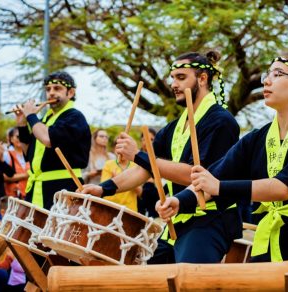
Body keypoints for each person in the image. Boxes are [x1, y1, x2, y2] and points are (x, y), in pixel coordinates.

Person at [158, 49, 288, 262]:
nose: (267, 81)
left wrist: (219, 187)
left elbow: (283, 188)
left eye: (278, 74)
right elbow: (216, 174)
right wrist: (180, 201)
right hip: (278, 239)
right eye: (268, 74)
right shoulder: (257, 138)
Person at [82, 50, 241, 263]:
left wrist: (138, 155)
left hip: (209, 220)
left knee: (187, 281)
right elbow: (143, 169)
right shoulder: (174, 127)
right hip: (178, 220)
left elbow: (197, 177)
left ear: (202, 79)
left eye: (181, 77)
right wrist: (103, 189)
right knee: (146, 277)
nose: (174, 84)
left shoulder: (221, 122)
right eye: (173, 78)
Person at [14, 71, 91, 209]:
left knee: (59, 230)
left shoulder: (74, 117)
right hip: (38, 187)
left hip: (63, 187)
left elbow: (48, 139)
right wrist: (22, 124)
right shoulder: (45, 120)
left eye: (57, 88)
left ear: (71, 93)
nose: (51, 93)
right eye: (48, 89)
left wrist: (31, 116)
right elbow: (28, 153)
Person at [137, 128, 160, 217]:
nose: (147, 142)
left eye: (151, 139)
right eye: (144, 139)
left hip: (156, 202)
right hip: (139, 203)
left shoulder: (162, 159)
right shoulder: (135, 159)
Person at [2, 127, 30, 198]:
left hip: (30, 195)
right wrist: (26, 175)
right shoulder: (6, 154)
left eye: (22, 136)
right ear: (11, 139)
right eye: (18, 137)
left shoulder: (29, 153)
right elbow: (4, 176)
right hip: (14, 197)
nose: (20, 139)